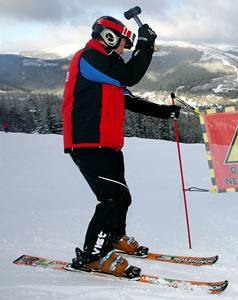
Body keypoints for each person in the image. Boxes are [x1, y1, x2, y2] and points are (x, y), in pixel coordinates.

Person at [62, 16, 181, 279]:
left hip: (107, 144)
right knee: (112, 198)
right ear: (108, 37)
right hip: (88, 142)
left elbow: (131, 100)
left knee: (122, 197)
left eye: (128, 47)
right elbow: (131, 75)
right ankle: (92, 256)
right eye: (123, 45)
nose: (123, 51)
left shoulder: (105, 70)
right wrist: (145, 47)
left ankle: (114, 238)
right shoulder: (88, 59)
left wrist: (165, 113)